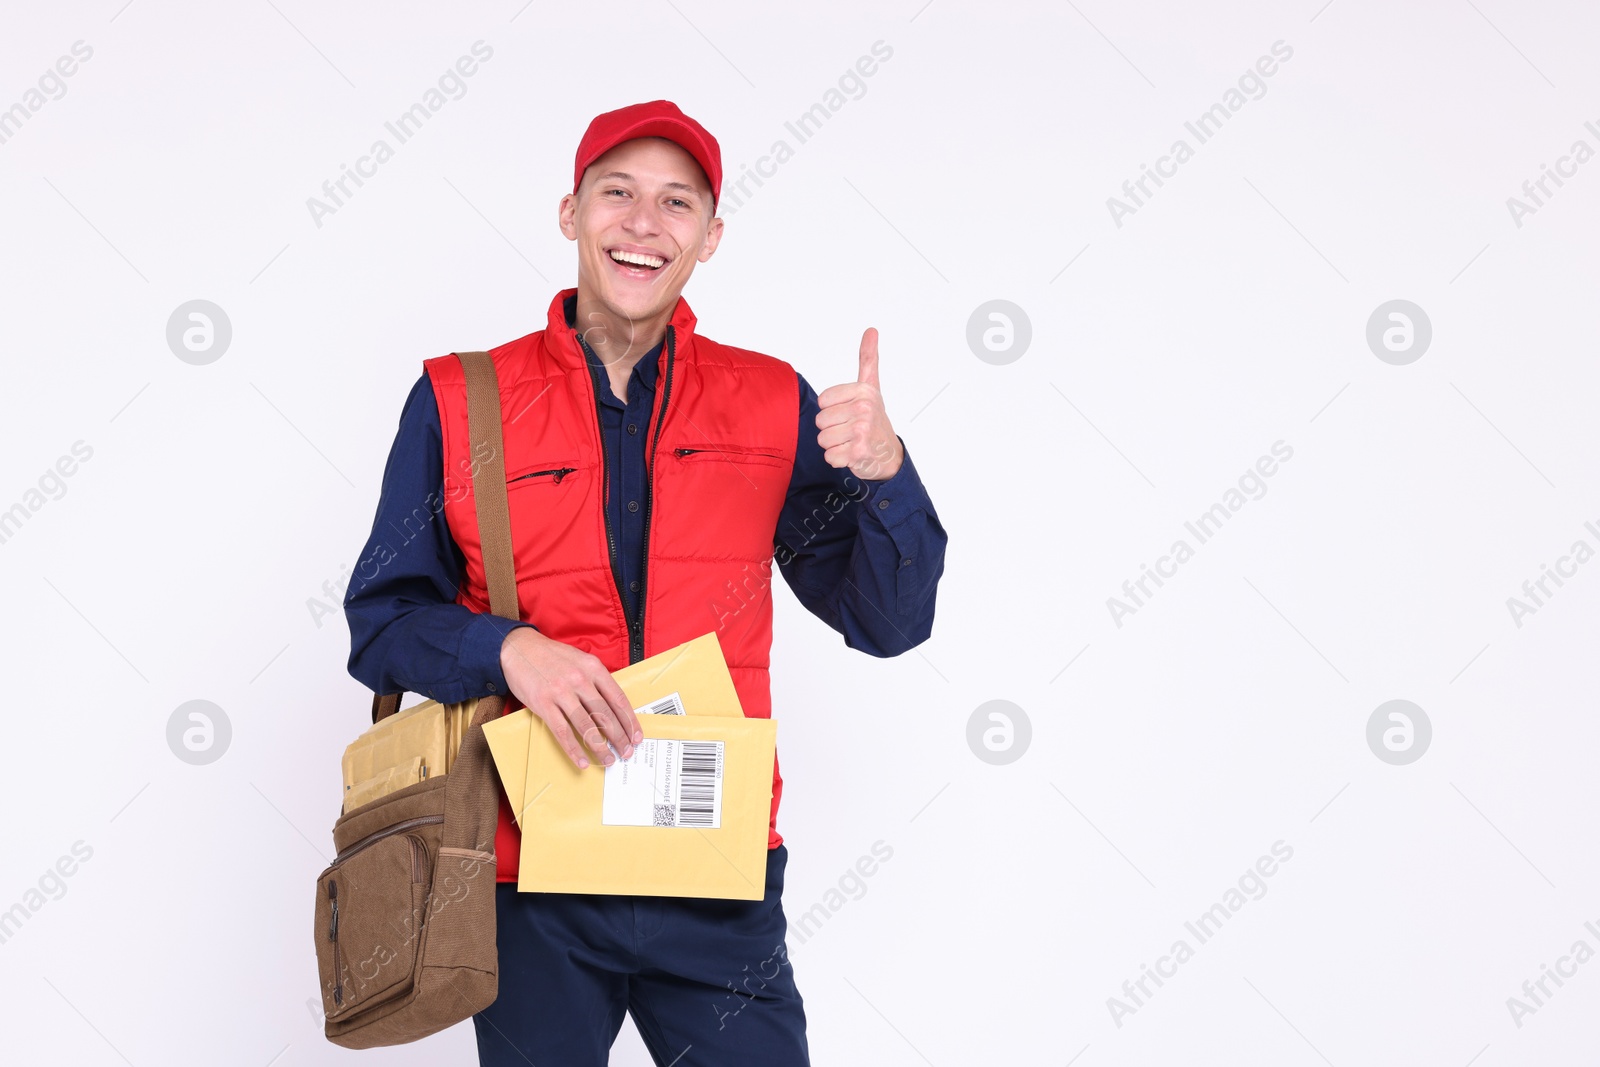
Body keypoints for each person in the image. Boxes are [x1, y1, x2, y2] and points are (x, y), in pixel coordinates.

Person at [342, 98, 947, 1066]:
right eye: (615, 193)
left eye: (675, 202)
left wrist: (886, 476)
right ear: (569, 213)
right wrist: (509, 646)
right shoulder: (460, 400)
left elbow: (887, 623)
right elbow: (380, 623)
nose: (641, 222)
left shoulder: (770, 399)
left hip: (716, 872)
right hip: (527, 872)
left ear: (708, 237)